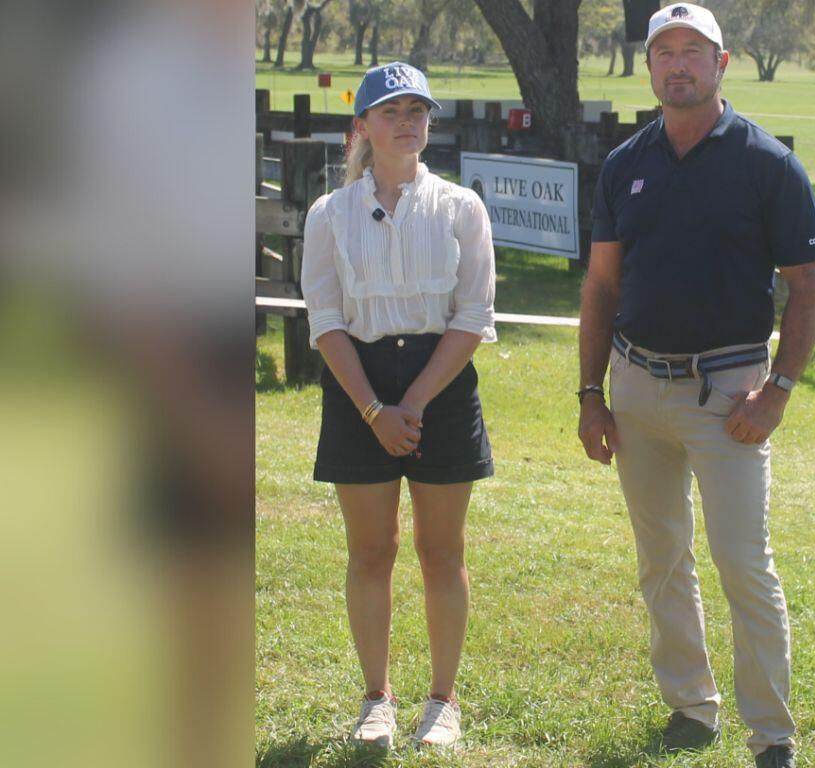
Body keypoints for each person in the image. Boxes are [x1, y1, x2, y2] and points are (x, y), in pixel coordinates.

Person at [577, 5, 815, 768]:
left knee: (743, 565)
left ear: (722, 65)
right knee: (661, 560)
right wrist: (590, 394)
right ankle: (691, 706)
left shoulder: (767, 163)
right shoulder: (626, 163)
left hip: (732, 397)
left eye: (694, 51)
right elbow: (600, 287)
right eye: (664, 52)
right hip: (637, 389)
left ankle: (772, 736)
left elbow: (811, 285)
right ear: (648, 67)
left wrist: (779, 389)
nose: (678, 64)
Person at [301, 61, 496, 750]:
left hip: (438, 383)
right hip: (359, 385)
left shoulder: (461, 207)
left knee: (441, 551)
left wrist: (409, 403)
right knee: (371, 550)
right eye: (391, 112)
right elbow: (325, 321)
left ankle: (443, 702)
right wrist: (374, 410)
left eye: (417, 111)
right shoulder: (329, 214)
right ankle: (376, 698)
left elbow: (473, 315)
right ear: (363, 127)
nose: (407, 122)